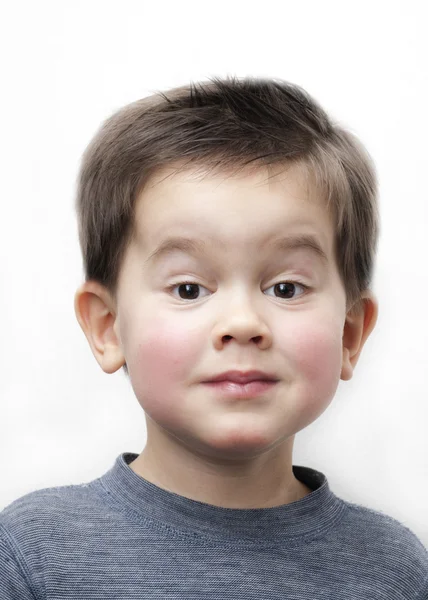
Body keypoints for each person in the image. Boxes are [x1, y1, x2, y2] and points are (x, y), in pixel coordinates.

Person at [1, 76, 427, 599]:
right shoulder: (31, 556)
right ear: (108, 327)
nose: (243, 322)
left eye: (286, 287)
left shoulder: (395, 569)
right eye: (187, 288)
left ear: (349, 332)